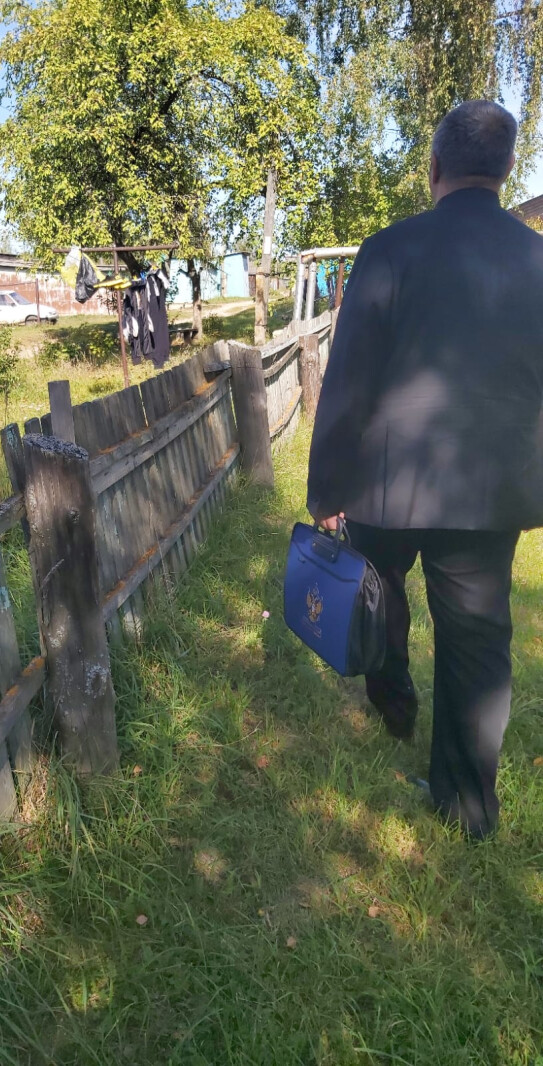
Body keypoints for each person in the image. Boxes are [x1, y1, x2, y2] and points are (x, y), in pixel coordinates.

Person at [306, 100, 543, 839]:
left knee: (377, 594)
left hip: (386, 482)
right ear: (507, 170)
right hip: (489, 490)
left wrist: (326, 487)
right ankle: (467, 807)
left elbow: (347, 377)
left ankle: (394, 702)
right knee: (476, 642)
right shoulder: (537, 260)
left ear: (433, 166)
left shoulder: (388, 249)